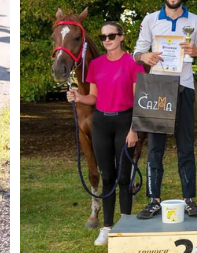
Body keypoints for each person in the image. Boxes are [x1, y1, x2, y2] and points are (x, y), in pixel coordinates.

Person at [132, 0, 197, 220]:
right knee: (155, 147)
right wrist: (144, 57)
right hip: (157, 88)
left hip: (184, 87)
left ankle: (189, 199)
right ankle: (153, 200)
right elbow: (137, 52)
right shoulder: (151, 19)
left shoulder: (196, 21)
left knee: (185, 146)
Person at [66, 20, 145, 246]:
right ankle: (107, 227)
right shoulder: (97, 65)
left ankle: (127, 225)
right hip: (101, 122)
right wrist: (79, 98)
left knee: (123, 177)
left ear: (121, 37)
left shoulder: (132, 62)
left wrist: (134, 130)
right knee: (108, 176)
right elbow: (94, 97)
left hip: (125, 122)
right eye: (103, 37)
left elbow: (139, 100)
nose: (108, 40)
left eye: (112, 36)